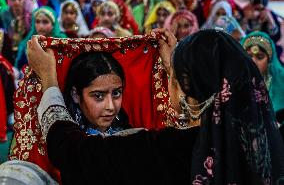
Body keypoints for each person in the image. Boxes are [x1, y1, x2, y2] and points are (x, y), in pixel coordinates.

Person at [26, 28, 284, 184]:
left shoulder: (168, 151)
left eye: (173, 78)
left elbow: (75, 153)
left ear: (184, 89)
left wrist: (49, 80)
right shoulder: (268, 144)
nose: (110, 106)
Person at [241, 31, 284, 124]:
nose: (253, 62)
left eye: (259, 57)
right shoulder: (232, 84)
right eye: (248, 57)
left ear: (269, 61)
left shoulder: (281, 82)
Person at [15, 6, 66, 71]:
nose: (41, 26)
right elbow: (19, 67)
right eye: (37, 21)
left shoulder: (61, 42)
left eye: (45, 22)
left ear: (53, 25)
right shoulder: (27, 43)